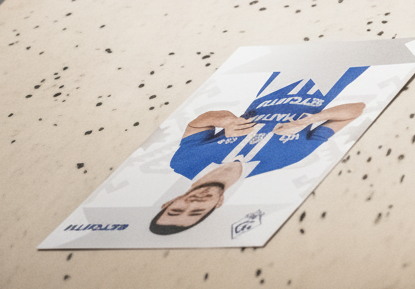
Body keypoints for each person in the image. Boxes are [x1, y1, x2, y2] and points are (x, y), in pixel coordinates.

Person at [150, 70, 366, 235]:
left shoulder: (183, 163)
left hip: (278, 76)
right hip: (330, 81)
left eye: (177, 210)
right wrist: (311, 119)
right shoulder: (287, 159)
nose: (193, 204)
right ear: (217, 204)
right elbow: (356, 109)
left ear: (170, 202)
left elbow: (197, 123)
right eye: (198, 211)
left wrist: (226, 121)